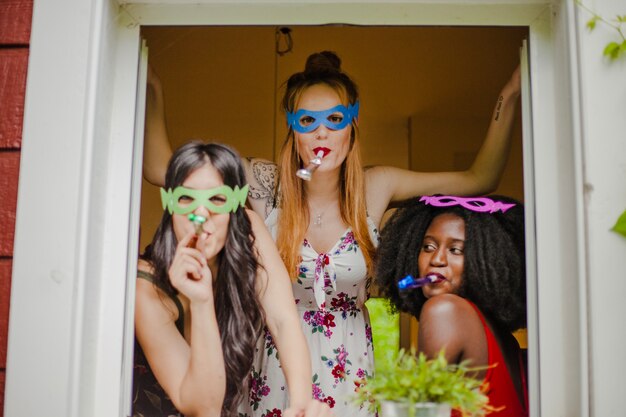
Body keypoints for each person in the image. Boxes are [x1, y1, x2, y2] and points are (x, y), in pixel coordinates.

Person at [142, 51, 521, 417]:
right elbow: (163, 168)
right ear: (292, 127)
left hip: (351, 369)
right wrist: (152, 91)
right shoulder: (263, 183)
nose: (322, 132)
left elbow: (479, 178)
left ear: (352, 126)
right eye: (308, 121)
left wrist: (508, 95)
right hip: (274, 369)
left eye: (335, 119)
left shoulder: (376, 186)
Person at [133, 141, 333, 417]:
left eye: (217, 199)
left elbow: (283, 321)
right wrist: (201, 302)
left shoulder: (248, 230)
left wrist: (301, 405)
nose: (201, 215)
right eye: (186, 198)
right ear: (169, 202)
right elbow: (203, 407)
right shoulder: (147, 287)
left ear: (236, 203)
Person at [375, 195, 528, 416]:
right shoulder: (502, 336)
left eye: (455, 250)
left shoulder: (444, 311)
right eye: (428, 246)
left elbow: (417, 412)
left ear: (485, 259)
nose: (437, 259)